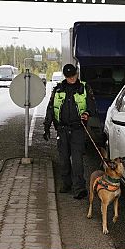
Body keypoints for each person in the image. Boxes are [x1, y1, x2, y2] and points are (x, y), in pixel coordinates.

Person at [43, 63, 96, 199]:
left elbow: (92, 106)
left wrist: (87, 113)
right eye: (68, 77)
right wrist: (46, 126)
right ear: (65, 76)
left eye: (73, 76)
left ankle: (79, 188)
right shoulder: (58, 89)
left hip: (78, 129)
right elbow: (50, 108)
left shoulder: (84, 88)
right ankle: (66, 184)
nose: (71, 79)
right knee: (64, 159)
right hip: (62, 129)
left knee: (77, 160)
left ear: (77, 74)